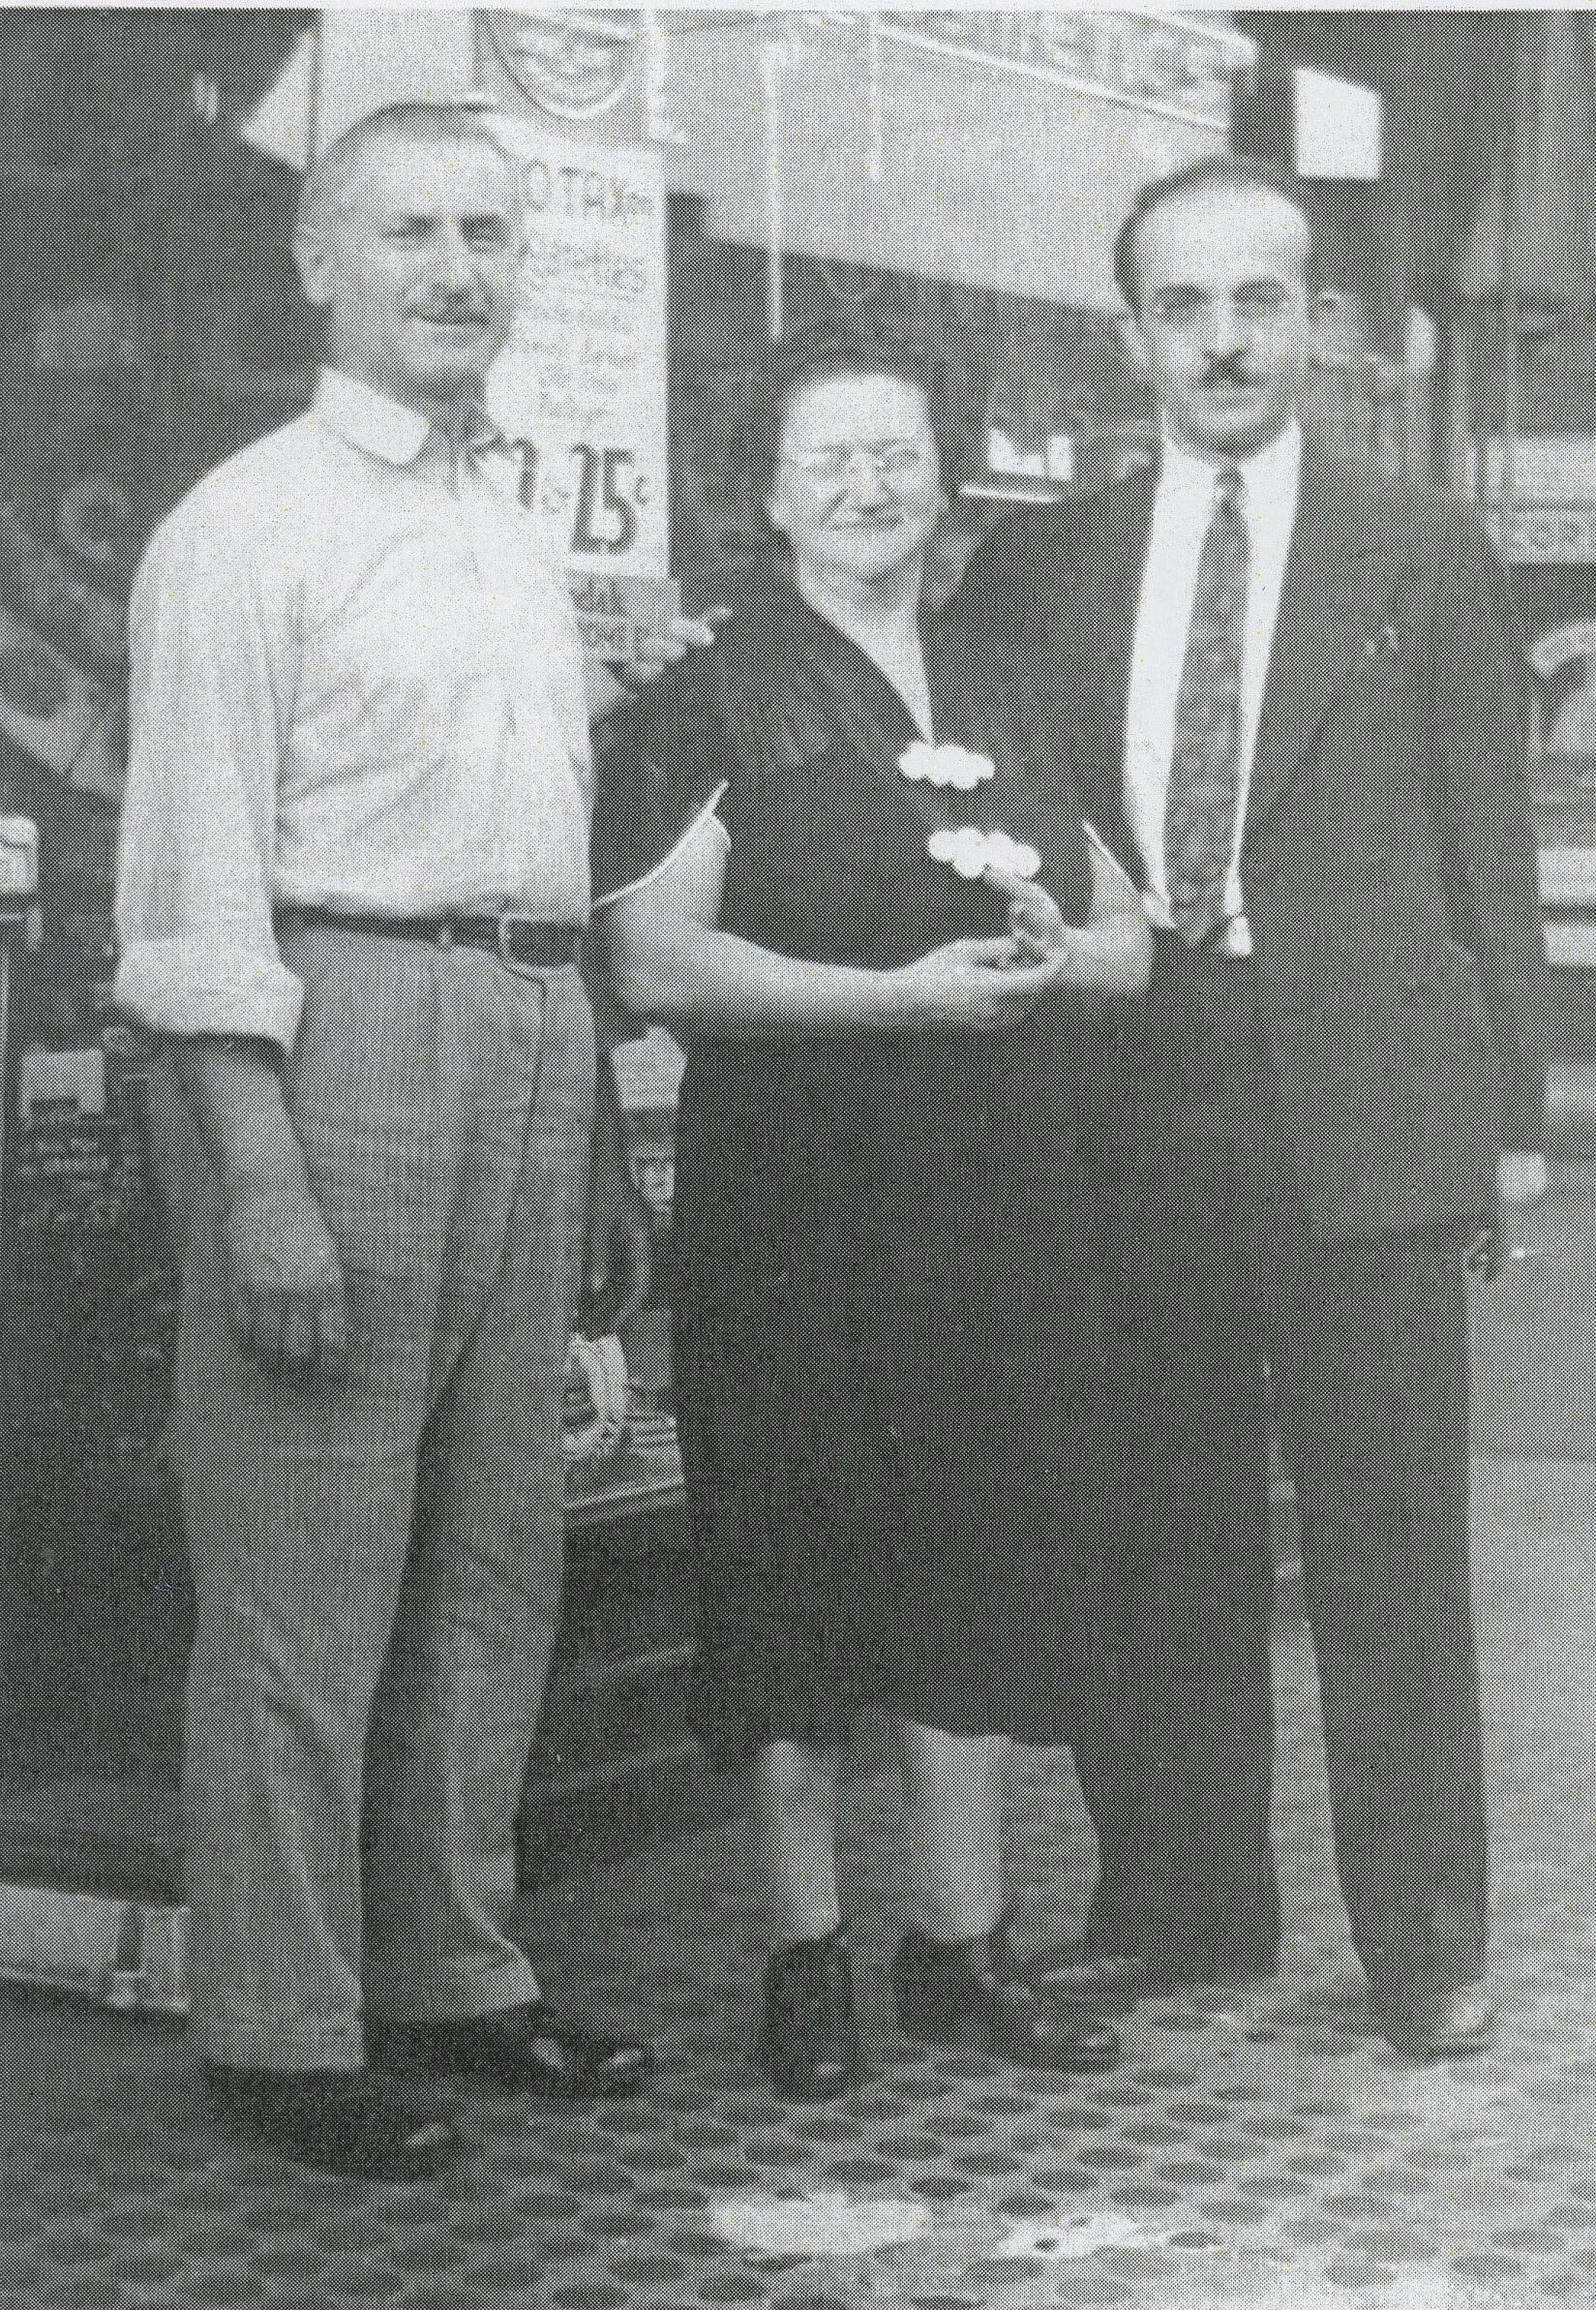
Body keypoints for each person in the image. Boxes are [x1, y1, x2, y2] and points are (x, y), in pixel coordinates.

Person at [113, 103, 697, 2178]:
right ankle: (279, 2027)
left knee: (494, 1556)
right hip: (327, 1027)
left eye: (488, 235)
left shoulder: (504, 528)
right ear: (316, 260)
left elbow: (527, 851)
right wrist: (254, 1168)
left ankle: (455, 1971)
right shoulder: (243, 528)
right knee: (302, 1572)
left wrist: (609, 1131)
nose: (459, 270)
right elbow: (188, 888)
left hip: (534, 1029)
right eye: (414, 233)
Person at [953, 157, 1551, 2059]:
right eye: (1185, 306)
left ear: (1322, 327)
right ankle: (1187, 1904)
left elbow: (1490, 843)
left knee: (1387, 1536)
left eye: (1260, 301)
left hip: (1362, 1108)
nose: (1223, 338)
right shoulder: (1046, 563)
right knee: (1160, 1523)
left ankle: (1425, 1940)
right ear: (1131, 335)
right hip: (1132, 1091)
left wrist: (1510, 1117)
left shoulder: (1419, 542)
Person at [594, 331, 1151, 2099]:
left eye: (896, 450)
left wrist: (1066, 955)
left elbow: (1129, 935)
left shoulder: (1005, 676)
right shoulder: (714, 687)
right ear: (765, 493)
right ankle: (802, 1956)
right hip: (796, 1198)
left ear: (943, 476)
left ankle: (958, 1946)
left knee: (974, 1548)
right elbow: (651, 953)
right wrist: (893, 1002)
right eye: (826, 456)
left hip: (993, 1199)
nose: (866, 483)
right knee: (790, 1553)